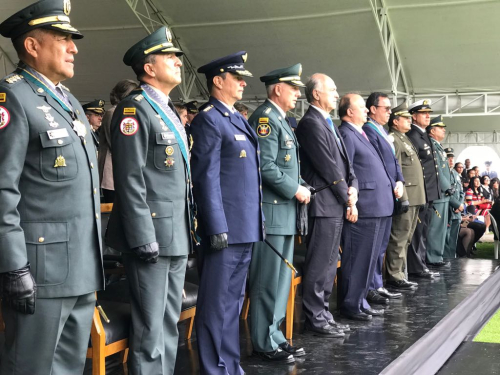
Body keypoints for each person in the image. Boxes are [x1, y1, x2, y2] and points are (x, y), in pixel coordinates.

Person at [0, 1, 103, 374]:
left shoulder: (69, 101)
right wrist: (13, 266)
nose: (74, 47)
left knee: (69, 366)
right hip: (39, 270)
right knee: (31, 366)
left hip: (79, 264)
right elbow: (2, 188)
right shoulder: (12, 96)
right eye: (63, 39)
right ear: (32, 46)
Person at [105, 26, 192, 375]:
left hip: (175, 234)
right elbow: (129, 178)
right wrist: (142, 235)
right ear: (149, 67)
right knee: (150, 327)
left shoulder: (167, 110)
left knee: (169, 321)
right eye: (169, 57)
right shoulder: (134, 110)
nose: (178, 62)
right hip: (152, 235)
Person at [190, 51, 264, 375]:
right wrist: (215, 225)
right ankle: (213, 368)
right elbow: (206, 176)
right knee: (216, 306)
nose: (243, 82)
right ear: (218, 81)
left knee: (232, 306)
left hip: (243, 226)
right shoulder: (209, 119)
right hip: (225, 229)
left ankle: (230, 366)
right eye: (237, 77)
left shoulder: (234, 117)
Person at [248, 63, 310, 361]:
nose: (298, 93)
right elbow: (265, 166)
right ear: (277, 89)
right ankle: (263, 341)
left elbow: (286, 166)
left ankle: (274, 335)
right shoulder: (265, 118)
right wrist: (295, 189)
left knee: (281, 281)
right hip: (271, 213)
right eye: (293, 88)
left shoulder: (282, 120)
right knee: (266, 281)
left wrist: (301, 185)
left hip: (284, 214)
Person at [295, 73, 356, 337]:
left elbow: (344, 163)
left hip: (335, 202)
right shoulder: (310, 123)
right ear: (316, 94)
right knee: (319, 265)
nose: (335, 93)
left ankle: (323, 314)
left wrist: (352, 187)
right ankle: (315, 318)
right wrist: (347, 196)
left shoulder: (327, 122)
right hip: (323, 205)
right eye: (331, 90)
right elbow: (328, 166)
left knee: (330, 264)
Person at [338, 93, 394, 321]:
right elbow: (346, 170)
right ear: (350, 112)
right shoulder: (347, 134)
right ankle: (351, 304)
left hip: (378, 205)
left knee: (370, 258)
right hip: (365, 205)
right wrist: (351, 202)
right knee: (358, 259)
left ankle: (360, 300)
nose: (366, 110)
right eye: (361, 107)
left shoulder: (360, 133)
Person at [363, 92, 404, 303]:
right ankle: (371, 286)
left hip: (388, 193)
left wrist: (400, 180)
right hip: (378, 195)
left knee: (381, 246)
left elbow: (394, 161)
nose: (390, 112)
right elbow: (378, 164)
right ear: (372, 109)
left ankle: (377, 284)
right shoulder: (368, 130)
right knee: (373, 248)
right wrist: (393, 182)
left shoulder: (381, 130)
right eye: (386, 108)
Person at [385, 102, 425, 290]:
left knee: (407, 237)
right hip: (406, 194)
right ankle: (395, 275)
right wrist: (403, 198)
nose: (410, 121)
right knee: (400, 236)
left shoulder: (404, 138)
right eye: (406, 118)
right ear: (395, 121)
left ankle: (401, 272)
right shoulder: (394, 139)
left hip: (415, 195)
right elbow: (397, 170)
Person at [405, 99, 440, 279]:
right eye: (424, 113)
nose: (428, 116)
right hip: (420, 191)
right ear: (414, 116)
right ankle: (415, 267)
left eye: (429, 113)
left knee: (424, 229)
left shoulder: (424, 134)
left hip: (429, 191)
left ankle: (422, 263)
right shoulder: (412, 135)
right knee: (417, 231)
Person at [426, 116, 460, 267]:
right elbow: (438, 171)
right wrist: (448, 188)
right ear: (432, 131)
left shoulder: (438, 146)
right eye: (440, 128)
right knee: (435, 230)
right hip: (439, 195)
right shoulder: (432, 145)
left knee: (440, 230)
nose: (444, 130)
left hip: (444, 195)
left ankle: (437, 256)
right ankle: (432, 258)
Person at [98, 79, 139, 203]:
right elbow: (115, 143)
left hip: (125, 169)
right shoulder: (112, 113)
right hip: (112, 171)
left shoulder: (128, 112)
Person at [443, 147, 465, 259]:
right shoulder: (443, 173)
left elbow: (461, 192)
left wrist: (460, 205)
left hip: (457, 212)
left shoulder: (455, 174)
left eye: (452, 157)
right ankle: (446, 259)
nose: (451, 160)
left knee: (453, 238)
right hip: (447, 209)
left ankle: (452, 259)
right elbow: (445, 192)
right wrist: (457, 205)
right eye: (448, 158)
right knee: (445, 238)